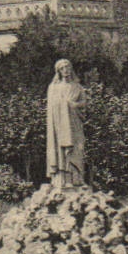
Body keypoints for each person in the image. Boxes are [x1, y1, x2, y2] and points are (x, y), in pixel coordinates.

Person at [45, 59, 89, 187]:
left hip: (75, 123)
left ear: (71, 69)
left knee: (78, 148)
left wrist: (73, 105)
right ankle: (62, 179)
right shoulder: (53, 87)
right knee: (60, 150)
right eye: (62, 68)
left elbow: (84, 104)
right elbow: (51, 107)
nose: (66, 70)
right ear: (58, 71)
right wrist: (63, 104)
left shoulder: (77, 87)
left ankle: (76, 177)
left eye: (68, 67)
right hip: (59, 125)